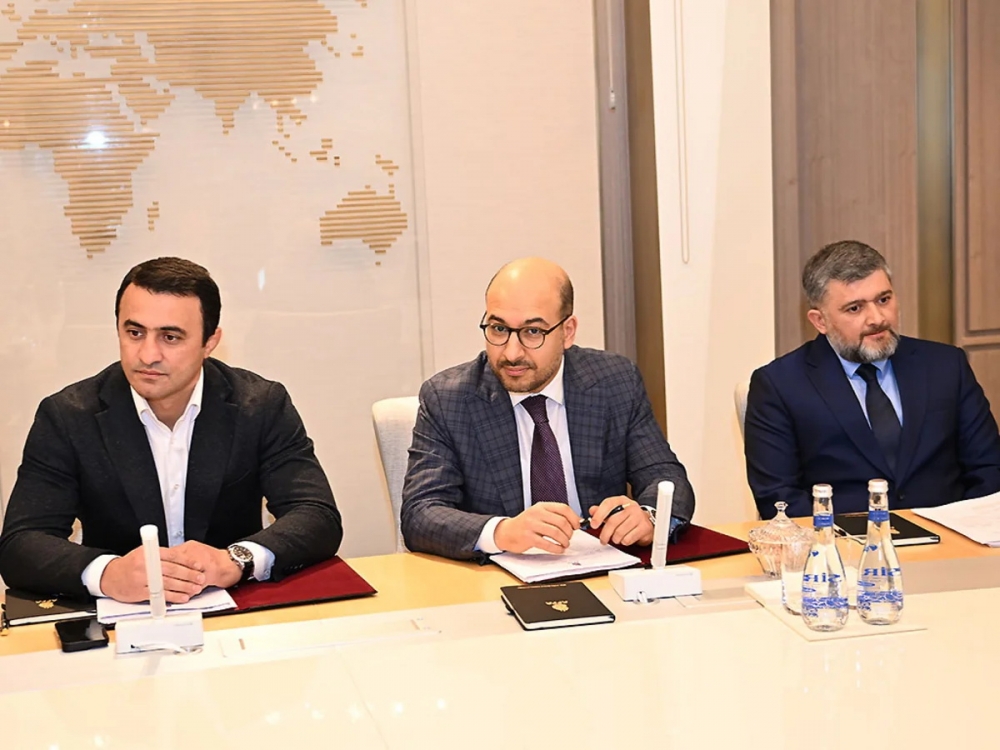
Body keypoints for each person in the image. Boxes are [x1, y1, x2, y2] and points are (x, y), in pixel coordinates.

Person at [0, 257, 342, 601]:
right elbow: (21, 543)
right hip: (121, 616)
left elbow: (317, 515)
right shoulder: (69, 416)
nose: (148, 355)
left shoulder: (260, 405)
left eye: (170, 337)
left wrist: (236, 560)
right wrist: (107, 573)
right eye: (135, 333)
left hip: (234, 609)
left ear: (210, 342)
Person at [400, 257, 694, 560]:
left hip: (601, 568)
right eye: (498, 328)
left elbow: (664, 476)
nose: (511, 353)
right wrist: (501, 532)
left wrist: (649, 516)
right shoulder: (448, 399)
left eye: (532, 332)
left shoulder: (615, 382)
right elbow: (420, 513)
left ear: (568, 331)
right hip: (496, 576)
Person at [745, 240, 1000, 518]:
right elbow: (778, 497)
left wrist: (968, 529)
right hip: (843, 539)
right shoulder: (780, 385)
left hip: (949, 534)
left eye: (883, 300)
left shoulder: (946, 365)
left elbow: (989, 468)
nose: (877, 318)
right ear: (820, 321)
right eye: (855, 308)